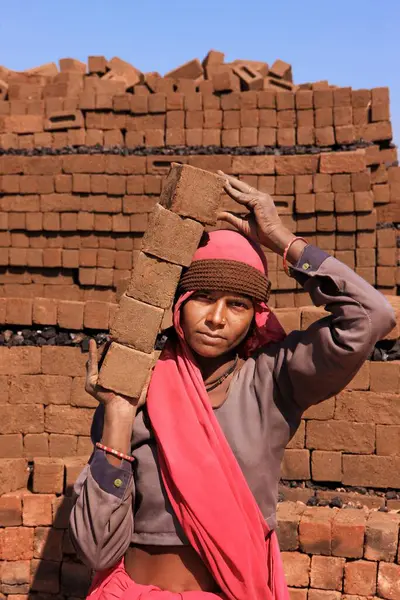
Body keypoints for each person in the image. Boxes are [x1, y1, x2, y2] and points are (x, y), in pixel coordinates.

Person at [69, 174, 395, 600]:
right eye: (203, 296)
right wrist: (117, 414)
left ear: (256, 314)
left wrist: (281, 240)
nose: (217, 318)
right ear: (179, 303)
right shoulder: (137, 389)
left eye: (237, 304)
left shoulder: (273, 379)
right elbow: (95, 551)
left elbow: (372, 316)